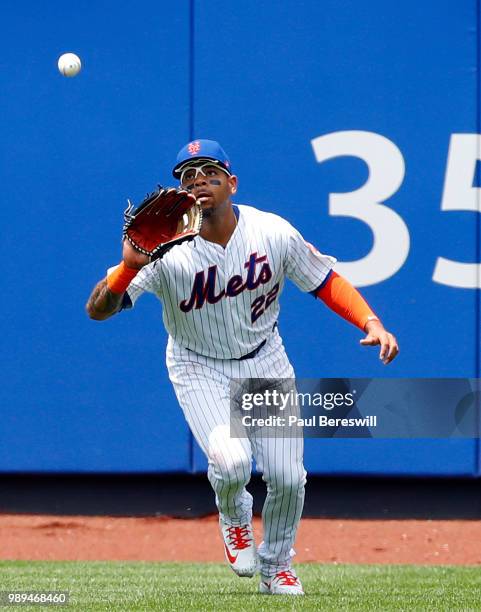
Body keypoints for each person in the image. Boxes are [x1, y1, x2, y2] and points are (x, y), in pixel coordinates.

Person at [86, 139, 398, 596]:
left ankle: (277, 566)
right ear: (177, 190)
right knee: (231, 463)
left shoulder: (272, 232)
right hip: (199, 366)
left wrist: (370, 320)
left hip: (264, 361)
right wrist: (127, 269)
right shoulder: (163, 247)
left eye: (209, 173)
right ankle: (234, 514)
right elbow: (98, 310)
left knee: (289, 477)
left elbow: (324, 281)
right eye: (187, 176)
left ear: (231, 183)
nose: (198, 182)